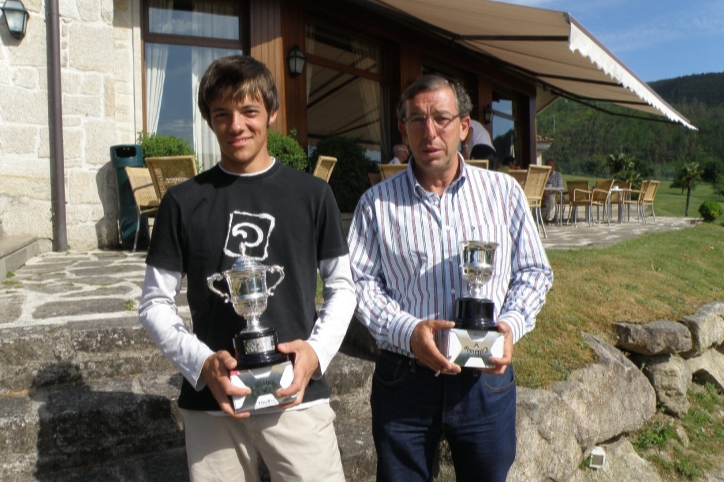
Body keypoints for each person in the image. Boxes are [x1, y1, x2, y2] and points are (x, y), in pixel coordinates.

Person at [139, 55, 356, 482]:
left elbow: (343, 288)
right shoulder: (182, 202)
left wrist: (314, 353)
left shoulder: (312, 195)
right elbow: (153, 303)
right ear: (209, 120)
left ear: (272, 114)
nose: (236, 125)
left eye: (249, 111)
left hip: (298, 397)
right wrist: (202, 364)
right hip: (214, 403)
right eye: (222, 114)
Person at [347, 74, 553, 482]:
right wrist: (407, 331)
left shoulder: (503, 193)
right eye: (417, 120)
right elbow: (361, 284)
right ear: (403, 130)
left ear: (464, 126)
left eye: (441, 118)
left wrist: (508, 327)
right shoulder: (375, 204)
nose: (430, 131)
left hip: (485, 383)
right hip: (405, 380)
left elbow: (533, 271)